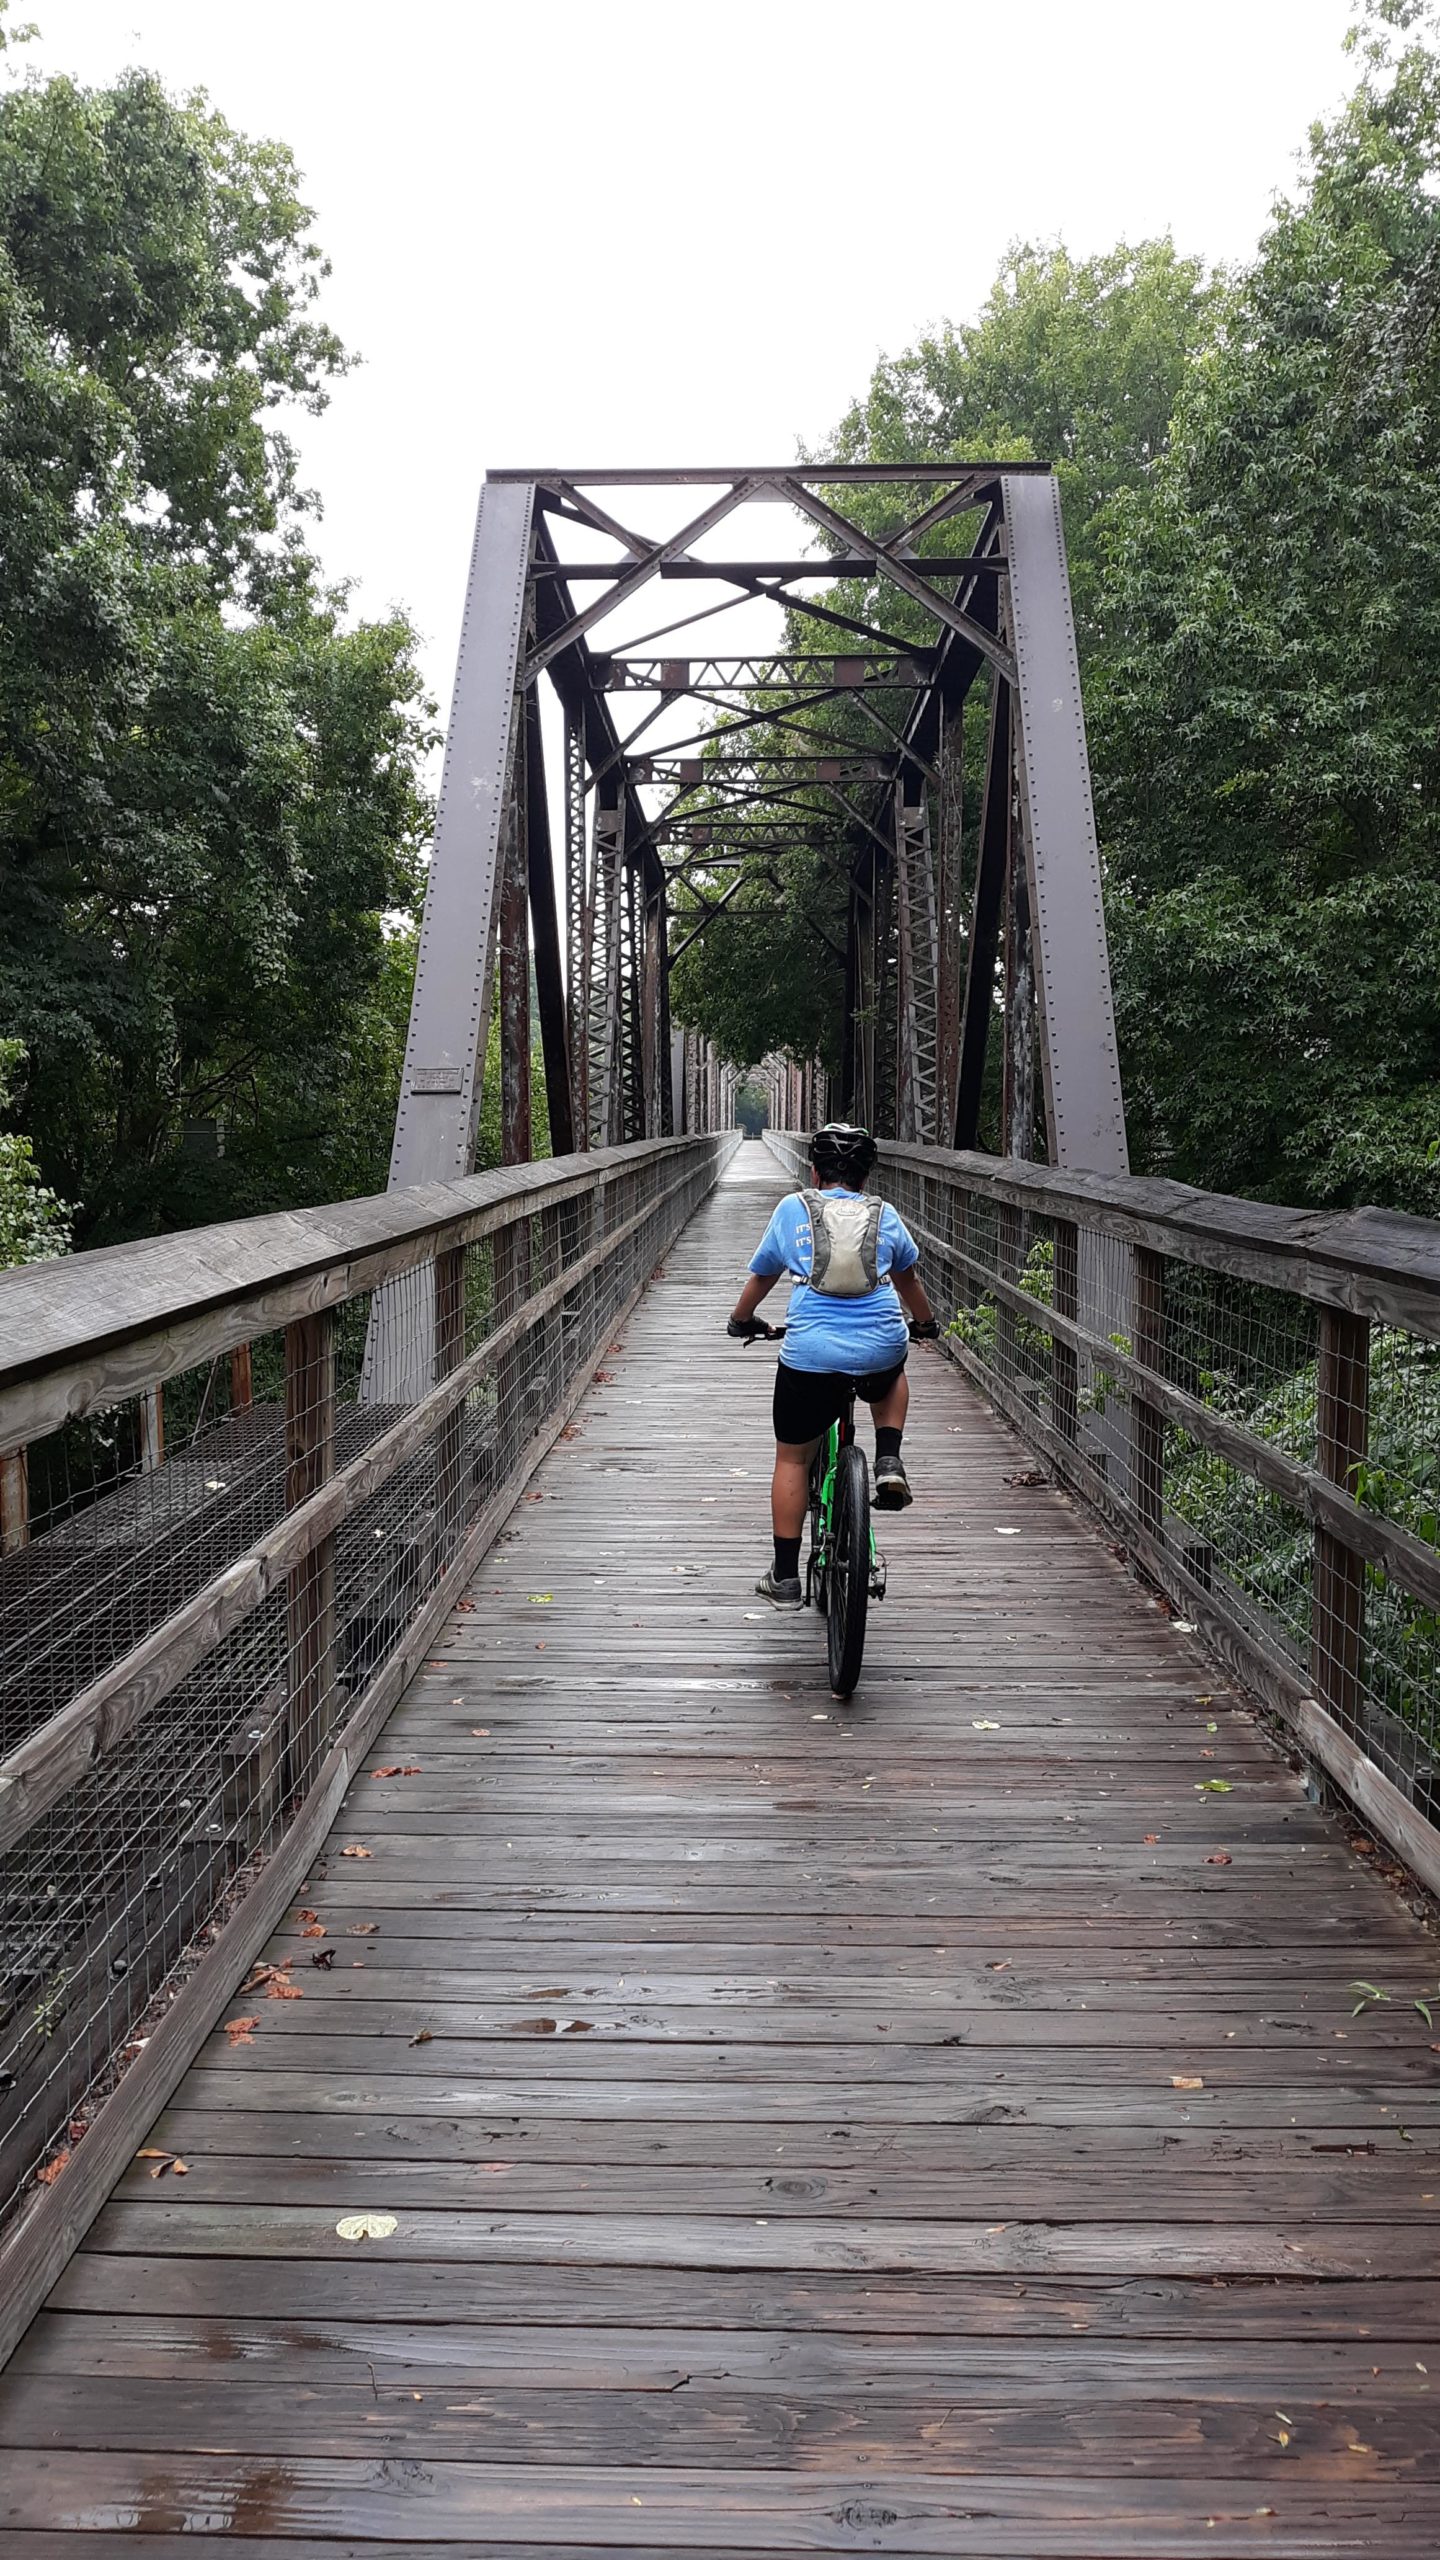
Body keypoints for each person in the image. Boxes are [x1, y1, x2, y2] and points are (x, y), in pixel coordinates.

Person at [727, 1123, 939, 1608]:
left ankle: (784, 1577)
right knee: (892, 1371)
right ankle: (888, 1456)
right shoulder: (884, 1215)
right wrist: (925, 1325)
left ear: (813, 1171)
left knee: (792, 1459)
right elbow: (908, 1282)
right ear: (866, 1176)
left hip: (811, 1356)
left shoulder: (793, 1209)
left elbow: (762, 1277)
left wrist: (742, 1321)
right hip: (880, 1346)